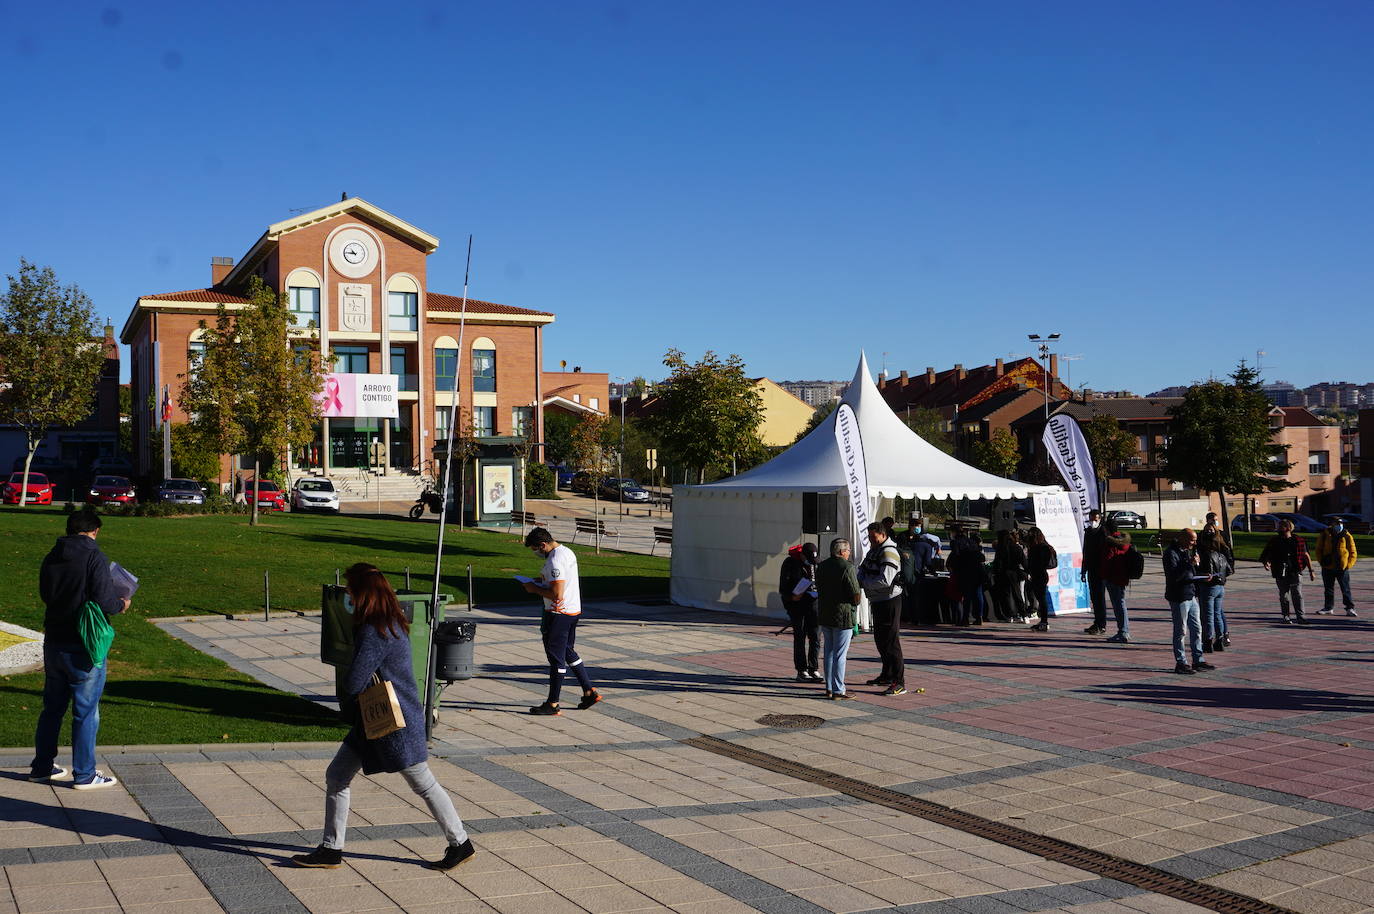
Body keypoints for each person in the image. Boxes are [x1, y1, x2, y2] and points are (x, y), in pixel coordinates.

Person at [292, 563, 474, 870]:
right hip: (378, 720)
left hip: (392, 723)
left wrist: (346, 701)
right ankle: (331, 849)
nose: (348, 593)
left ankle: (460, 843)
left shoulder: (374, 630)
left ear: (363, 593)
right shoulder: (391, 622)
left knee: (423, 783)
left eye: (351, 588)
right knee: (337, 776)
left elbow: (354, 681)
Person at [30, 508, 129, 788]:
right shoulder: (93, 556)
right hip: (85, 644)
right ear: (94, 531)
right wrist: (121, 604)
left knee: (52, 708)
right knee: (85, 711)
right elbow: (104, 600)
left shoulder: (52, 556)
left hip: (55, 640)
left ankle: (42, 766)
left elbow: (45, 594)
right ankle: (85, 774)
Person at [521, 527, 601, 714]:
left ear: (543, 545)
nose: (535, 552)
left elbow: (557, 594)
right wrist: (540, 582)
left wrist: (533, 589)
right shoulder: (566, 551)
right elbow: (561, 582)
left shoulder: (555, 561)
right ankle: (589, 691)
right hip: (572, 611)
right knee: (567, 651)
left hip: (558, 614)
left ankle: (553, 703)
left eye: (535, 548)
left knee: (556, 658)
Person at [857, 522, 905, 696]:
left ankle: (899, 682)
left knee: (891, 642)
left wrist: (863, 583)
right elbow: (861, 569)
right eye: (869, 537)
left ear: (883, 535)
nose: (871, 540)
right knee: (881, 640)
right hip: (878, 600)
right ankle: (886, 675)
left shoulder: (888, 551)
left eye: (873, 537)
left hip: (889, 601)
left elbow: (886, 579)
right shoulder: (874, 550)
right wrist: (861, 579)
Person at [1163, 529, 1218, 674]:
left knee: (1197, 628)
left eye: (1195, 540)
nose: (1194, 543)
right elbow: (1174, 575)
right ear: (1182, 538)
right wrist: (1189, 563)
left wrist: (1202, 575)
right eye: (1192, 540)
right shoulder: (1171, 553)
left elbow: (1189, 573)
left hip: (1191, 595)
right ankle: (1181, 662)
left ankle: (1198, 659)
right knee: (1180, 631)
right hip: (1179, 597)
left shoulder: (1186, 551)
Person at [815, 538, 862, 700]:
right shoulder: (847, 567)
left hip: (825, 613)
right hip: (843, 615)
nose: (849, 553)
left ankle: (829, 687)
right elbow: (855, 593)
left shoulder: (822, 566)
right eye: (848, 550)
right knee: (840, 654)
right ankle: (838, 689)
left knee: (828, 651)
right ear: (842, 551)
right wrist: (856, 602)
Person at [778, 542, 820, 682]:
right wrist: (792, 597)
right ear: (802, 555)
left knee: (815, 636)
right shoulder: (790, 563)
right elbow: (783, 588)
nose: (811, 562)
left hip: (813, 604)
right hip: (797, 605)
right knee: (800, 636)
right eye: (808, 559)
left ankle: (813, 668)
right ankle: (801, 670)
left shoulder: (815, 563)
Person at [1259, 519, 1314, 625]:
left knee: (1297, 594)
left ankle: (1301, 617)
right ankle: (1286, 616)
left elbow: (1306, 555)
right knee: (1284, 595)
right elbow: (1267, 553)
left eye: (1281, 526)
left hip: (1295, 571)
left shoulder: (1299, 540)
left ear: (1288, 528)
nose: (1279, 528)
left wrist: (1311, 571)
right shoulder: (1275, 540)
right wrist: (1266, 562)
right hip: (1280, 571)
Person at [1080, 509, 1119, 635]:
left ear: (1100, 519)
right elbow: (1085, 551)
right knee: (1094, 597)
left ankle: (1101, 625)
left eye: (1095, 519)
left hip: (1101, 570)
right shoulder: (1089, 532)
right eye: (1091, 519)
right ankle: (1097, 622)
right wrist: (1083, 570)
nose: (1093, 521)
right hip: (1091, 569)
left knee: (1100, 597)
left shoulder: (1103, 532)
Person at [1196, 526, 1233, 651]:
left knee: (1208, 616)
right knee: (1217, 615)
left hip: (1208, 587)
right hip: (1220, 587)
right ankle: (1220, 639)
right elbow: (1229, 570)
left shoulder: (1207, 555)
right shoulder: (1221, 555)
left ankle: (1208, 641)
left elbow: (1206, 573)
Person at [1314, 517, 1358, 616]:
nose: (1339, 525)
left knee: (1345, 588)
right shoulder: (1325, 534)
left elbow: (1353, 551)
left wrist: (1348, 564)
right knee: (1328, 588)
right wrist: (1321, 562)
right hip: (1328, 566)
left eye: (1340, 523)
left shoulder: (1346, 535)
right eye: (1337, 523)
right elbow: (1318, 549)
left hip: (1342, 567)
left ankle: (1349, 608)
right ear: (1332, 524)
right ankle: (1328, 607)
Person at [1101, 531, 1133, 643]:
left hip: (1112, 578)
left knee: (1118, 605)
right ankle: (1124, 631)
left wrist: (1103, 576)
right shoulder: (1126, 545)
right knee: (1121, 603)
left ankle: (1123, 632)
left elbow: (1106, 561)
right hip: (1123, 578)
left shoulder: (1111, 545)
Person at [990, 529, 1027, 623]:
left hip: (1003, 573)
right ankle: (1023, 615)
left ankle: (1009, 615)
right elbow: (1024, 562)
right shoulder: (1017, 547)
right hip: (1014, 573)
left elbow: (997, 562)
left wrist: (995, 573)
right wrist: (1027, 571)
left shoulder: (1000, 548)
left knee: (1006, 595)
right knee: (1017, 594)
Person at [1025, 527, 1057, 632]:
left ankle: (1044, 621)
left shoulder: (1041, 547)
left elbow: (1041, 562)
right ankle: (1043, 621)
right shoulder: (1038, 546)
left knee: (1042, 599)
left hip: (1040, 575)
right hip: (1037, 575)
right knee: (1039, 597)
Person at [951, 532, 987, 626]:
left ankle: (965, 618)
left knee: (967, 597)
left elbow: (956, 561)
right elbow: (982, 558)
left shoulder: (960, 547)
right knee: (978, 595)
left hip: (966, 574)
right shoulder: (974, 549)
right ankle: (979, 617)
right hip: (977, 574)